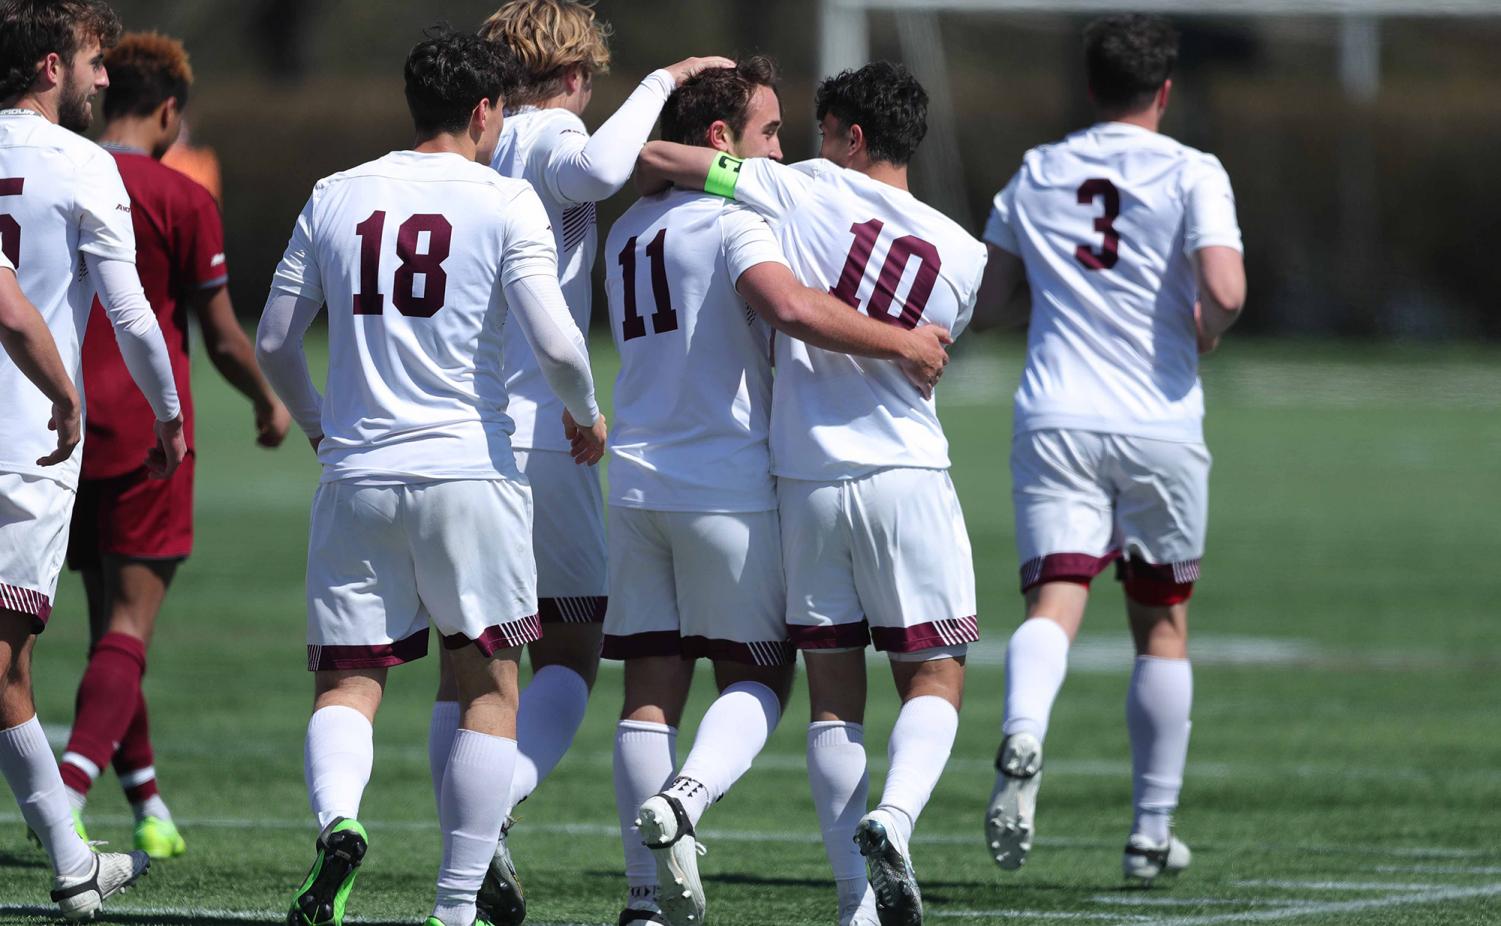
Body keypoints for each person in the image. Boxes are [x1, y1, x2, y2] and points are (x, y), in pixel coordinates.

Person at [256, 29, 605, 926]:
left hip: (358, 471)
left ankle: (339, 821)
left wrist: (319, 423)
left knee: (347, 685)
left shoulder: (336, 193)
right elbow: (559, 340)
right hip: (468, 471)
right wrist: (586, 412)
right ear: (486, 110)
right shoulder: (503, 199)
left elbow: (273, 341)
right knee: (489, 681)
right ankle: (454, 908)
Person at [637, 60, 986, 926]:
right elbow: (933, 356)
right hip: (905, 474)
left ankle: (854, 907)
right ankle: (895, 822)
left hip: (804, 483)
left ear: (851, 134)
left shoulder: (789, 188)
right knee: (934, 676)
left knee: (834, 702)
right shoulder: (966, 254)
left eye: (817, 129)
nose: (800, 144)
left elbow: (664, 160)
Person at [439, 3, 730, 920]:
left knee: (474, 657)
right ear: (574, 73)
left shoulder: (475, 145)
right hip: (545, 428)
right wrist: (666, 80)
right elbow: (601, 166)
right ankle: (494, 813)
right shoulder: (557, 129)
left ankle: (466, 838)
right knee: (574, 641)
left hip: (471, 428)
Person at [973, 13, 1246, 884]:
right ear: (1164, 90)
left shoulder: (1038, 170)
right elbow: (1226, 290)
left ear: (1089, 87)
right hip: (1158, 421)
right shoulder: (1193, 170)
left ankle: (1022, 730)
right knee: (1160, 623)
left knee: (1055, 600)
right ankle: (1149, 833)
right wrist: (1205, 328)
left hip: (1054, 414)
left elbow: (991, 301)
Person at [58, 30, 291, 861]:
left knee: (109, 635)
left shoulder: (57, 171)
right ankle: (65, 798)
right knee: (128, 628)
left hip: (54, 424)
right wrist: (269, 402)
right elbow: (224, 337)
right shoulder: (179, 194)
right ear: (167, 112)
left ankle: (150, 804)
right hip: (146, 432)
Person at [0, 0, 187, 918]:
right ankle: (73, 859)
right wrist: (168, 414)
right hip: (23, 447)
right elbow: (131, 313)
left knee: (10, 668)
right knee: (3, 661)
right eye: (91, 60)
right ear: (49, 67)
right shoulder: (82, 167)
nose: (104, 78)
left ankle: (73, 862)